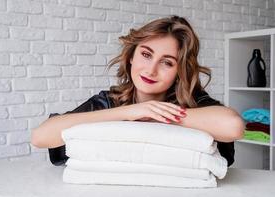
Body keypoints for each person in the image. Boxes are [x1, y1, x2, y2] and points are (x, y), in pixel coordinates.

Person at [31, 15, 244, 166]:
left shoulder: (193, 102)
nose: (151, 70)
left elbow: (233, 126)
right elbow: (41, 136)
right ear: (132, 56)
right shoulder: (109, 101)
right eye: (146, 54)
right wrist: (129, 112)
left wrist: (157, 115)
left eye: (167, 63)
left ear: (180, 72)